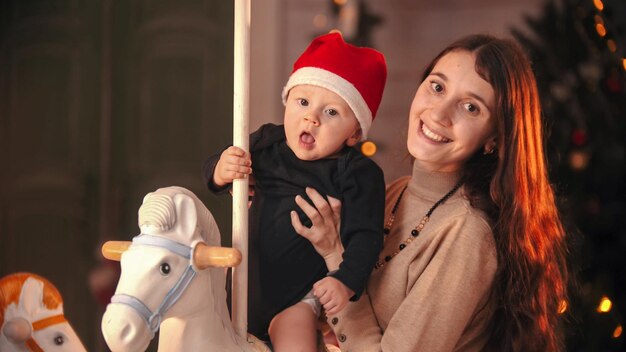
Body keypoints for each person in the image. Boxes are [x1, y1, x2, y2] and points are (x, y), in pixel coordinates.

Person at [294, 34, 569, 351]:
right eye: (437, 87)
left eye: (470, 107)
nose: (438, 114)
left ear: (494, 138)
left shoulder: (466, 234)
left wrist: (334, 253)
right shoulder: (396, 192)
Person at [202, 32, 387, 351]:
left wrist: (344, 282)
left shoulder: (357, 173)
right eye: (303, 102)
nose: (311, 117)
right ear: (287, 101)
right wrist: (223, 170)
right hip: (244, 284)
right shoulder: (267, 142)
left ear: (354, 133)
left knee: (295, 342)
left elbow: (366, 238)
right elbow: (216, 166)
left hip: (297, 298)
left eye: (331, 113)